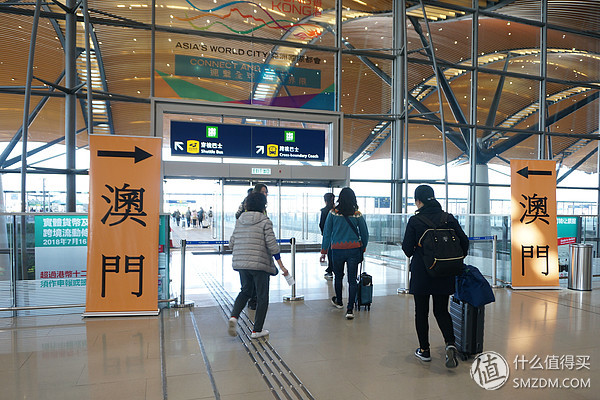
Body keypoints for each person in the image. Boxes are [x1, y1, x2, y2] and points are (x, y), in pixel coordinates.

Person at [401, 184, 469, 369]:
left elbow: (407, 249)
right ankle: (450, 343)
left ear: (418, 201)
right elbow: (464, 242)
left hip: (422, 271)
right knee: (441, 310)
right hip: (444, 271)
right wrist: (451, 259)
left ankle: (424, 351)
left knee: (421, 312)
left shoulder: (415, 221)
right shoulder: (448, 218)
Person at [227, 191, 289, 339]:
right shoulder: (265, 221)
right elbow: (272, 245)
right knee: (262, 296)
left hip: (241, 263)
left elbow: (231, 243)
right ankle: (257, 330)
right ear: (263, 206)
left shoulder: (240, 220)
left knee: (245, 291)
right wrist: (281, 266)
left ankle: (234, 316)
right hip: (259, 263)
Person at [320, 187, 369, 320]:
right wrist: (363, 247)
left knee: (338, 276)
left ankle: (339, 301)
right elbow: (365, 233)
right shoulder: (357, 214)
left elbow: (327, 233)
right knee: (352, 280)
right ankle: (350, 309)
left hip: (337, 250)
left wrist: (324, 251)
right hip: (354, 250)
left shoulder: (333, 213)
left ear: (340, 198)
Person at [319, 192, 335, 280]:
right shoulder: (337, 211)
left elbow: (321, 224)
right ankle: (334, 269)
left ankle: (330, 270)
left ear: (325, 200)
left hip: (328, 235)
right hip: (337, 235)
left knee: (329, 252)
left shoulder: (324, 211)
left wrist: (324, 234)